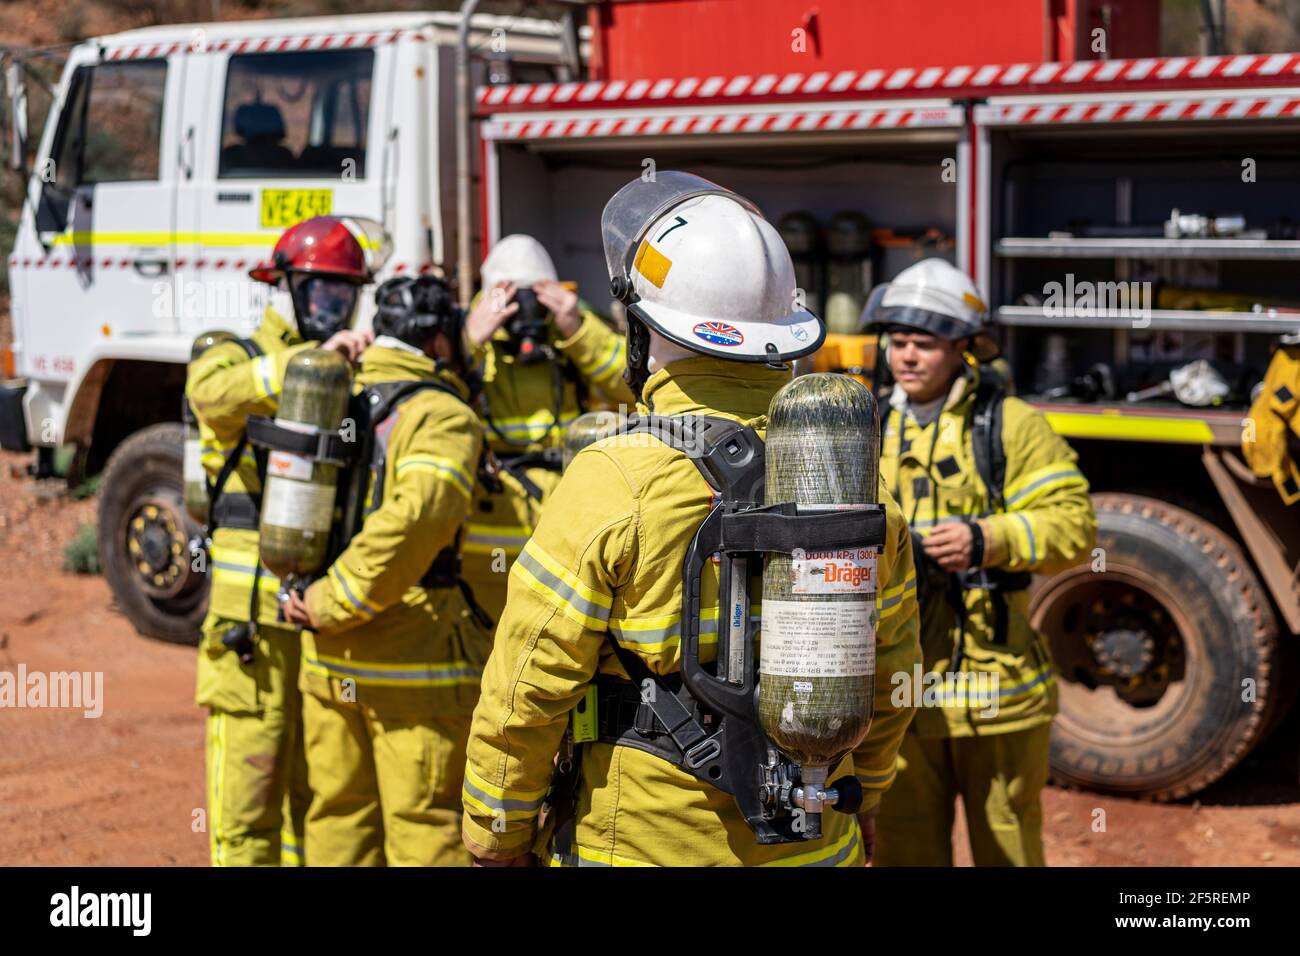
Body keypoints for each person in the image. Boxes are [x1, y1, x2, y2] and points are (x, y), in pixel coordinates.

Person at [461, 173, 921, 867]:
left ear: (644, 328)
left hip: (646, 844)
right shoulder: (851, 480)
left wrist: (496, 836)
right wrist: (869, 793)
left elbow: (527, 684)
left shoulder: (616, 476)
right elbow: (892, 666)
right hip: (818, 842)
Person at [863, 258, 1097, 867]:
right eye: (899, 341)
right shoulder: (867, 427)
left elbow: (1074, 527)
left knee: (1008, 849)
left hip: (998, 695)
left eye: (926, 344)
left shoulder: (1011, 426)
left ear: (964, 348)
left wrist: (987, 538)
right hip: (902, 694)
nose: (907, 357)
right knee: (905, 852)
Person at [187, 215, 384, 865]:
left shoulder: (352, 368)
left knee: (318, 798)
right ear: (284, 289)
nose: (330, 307)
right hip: (250, 632)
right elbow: (209, 395)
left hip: (322, 619)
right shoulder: (237, 357)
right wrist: (309, 366)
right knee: (247, 808)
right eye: (318, 292)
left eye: (342, 295)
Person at [279, 275, 490, 866]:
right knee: (424, 826)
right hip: (410, 668)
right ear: (440, 340)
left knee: (338, 816)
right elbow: (414, 521)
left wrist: (317, 604)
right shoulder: (442, 417)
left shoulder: (332, 393)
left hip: (326, 660)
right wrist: (333, 601)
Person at [459, 235, 636, 624]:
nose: (524, 310)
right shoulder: (471, 341)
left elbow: (635, 387)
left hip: (564, 516)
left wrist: (578, 330)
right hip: (489, 525)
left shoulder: (570, 338)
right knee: (487, 637)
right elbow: (437, 395)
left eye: (534, 297)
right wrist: (470, 340)